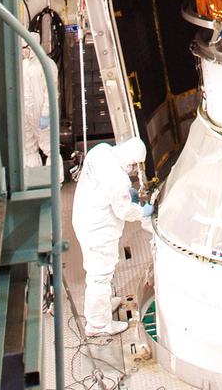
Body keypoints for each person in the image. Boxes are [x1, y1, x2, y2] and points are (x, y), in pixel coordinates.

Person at [72, 137, 152, 336]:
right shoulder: (118, 179)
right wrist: (143, 212)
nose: (133, 170)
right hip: (98, 229)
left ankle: (102, 307)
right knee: (100, 275)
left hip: (84, 216)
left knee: (98, 272)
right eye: (134, 166)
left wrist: (127, 195)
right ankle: (98, 325)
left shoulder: (101, 150)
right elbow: (124, 211)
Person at [21, 46, 52, 169]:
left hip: (41, 114)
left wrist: (46, 113)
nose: (23, 51)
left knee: (49, 148)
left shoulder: (46, 64)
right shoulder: (23, 65)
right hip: (27, 113)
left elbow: (50, 93)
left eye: (25, 47)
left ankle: (56, 177)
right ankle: (33, 176)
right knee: (29, 147)